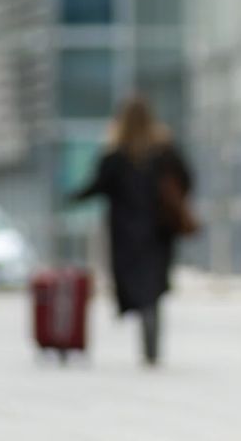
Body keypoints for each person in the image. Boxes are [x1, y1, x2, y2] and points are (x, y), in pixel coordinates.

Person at [72, 96, 194, 366]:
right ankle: (151, 333)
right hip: (159, 231)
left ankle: (145, 317)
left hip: (127, 233)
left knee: (136, 283)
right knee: (153, 285)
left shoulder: (116, 155)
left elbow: (97, 185)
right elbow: (187, 179)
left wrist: (72, 197)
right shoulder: (165, 151)